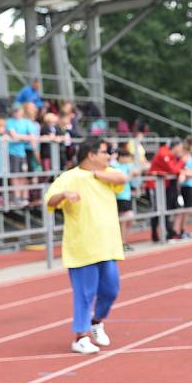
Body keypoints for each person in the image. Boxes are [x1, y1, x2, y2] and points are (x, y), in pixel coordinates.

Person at [44, 138, 128, 354]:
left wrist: (96, 174)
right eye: (104, 152)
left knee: (111, 290)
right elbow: (50, 200)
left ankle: (96, 321)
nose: (108, 155)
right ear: (91, 154)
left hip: (107, 246)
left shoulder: (107, 174)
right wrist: (64, 195)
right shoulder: (69, 177)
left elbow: (122, 177)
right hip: (82, 247)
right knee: (84, 293)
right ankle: (80, 337)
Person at [147, 138, 185, 242]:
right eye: (181, 147)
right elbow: (173, 170)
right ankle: (156, 234)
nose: (182, 150)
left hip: (162, 186)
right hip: (154, 186)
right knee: (157, 210)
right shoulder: (165, 154)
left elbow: (174, 170)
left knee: (163, 209)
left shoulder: (170, 155)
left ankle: (165, 233)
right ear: (176, 146)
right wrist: (182, 161)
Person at [111, 149, 140, 251]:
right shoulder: (115, 167)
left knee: (128, 220)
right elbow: (122, 180)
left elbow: (135, 178)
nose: (128, 159)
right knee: (125, 218)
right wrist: (131, 175)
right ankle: (121, 243)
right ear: (121, 157)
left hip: (127, 196)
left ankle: (124, 242)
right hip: (119, 196)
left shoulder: (128, 166)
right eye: (127, 157)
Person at [5, 104, 33, 206]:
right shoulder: (10, 122)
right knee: (15, 175)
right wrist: (24, 137)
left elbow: (32, 136)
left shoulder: (26, 122)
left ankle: (24, 196)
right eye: (15, 111)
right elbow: (14, 136)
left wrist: (20, 137)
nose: (16, 113)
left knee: (24, 175)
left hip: (24, 153)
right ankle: (16, 197)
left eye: (18, 110)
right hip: (13, 153)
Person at [178, 135, 192, 239]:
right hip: (186, 186)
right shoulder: (185, 157)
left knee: (189, 209)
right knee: (187, 209)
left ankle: (183, 230)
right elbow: (185, 171)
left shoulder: (190, 157)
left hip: (190, 185)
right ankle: (182, 230)